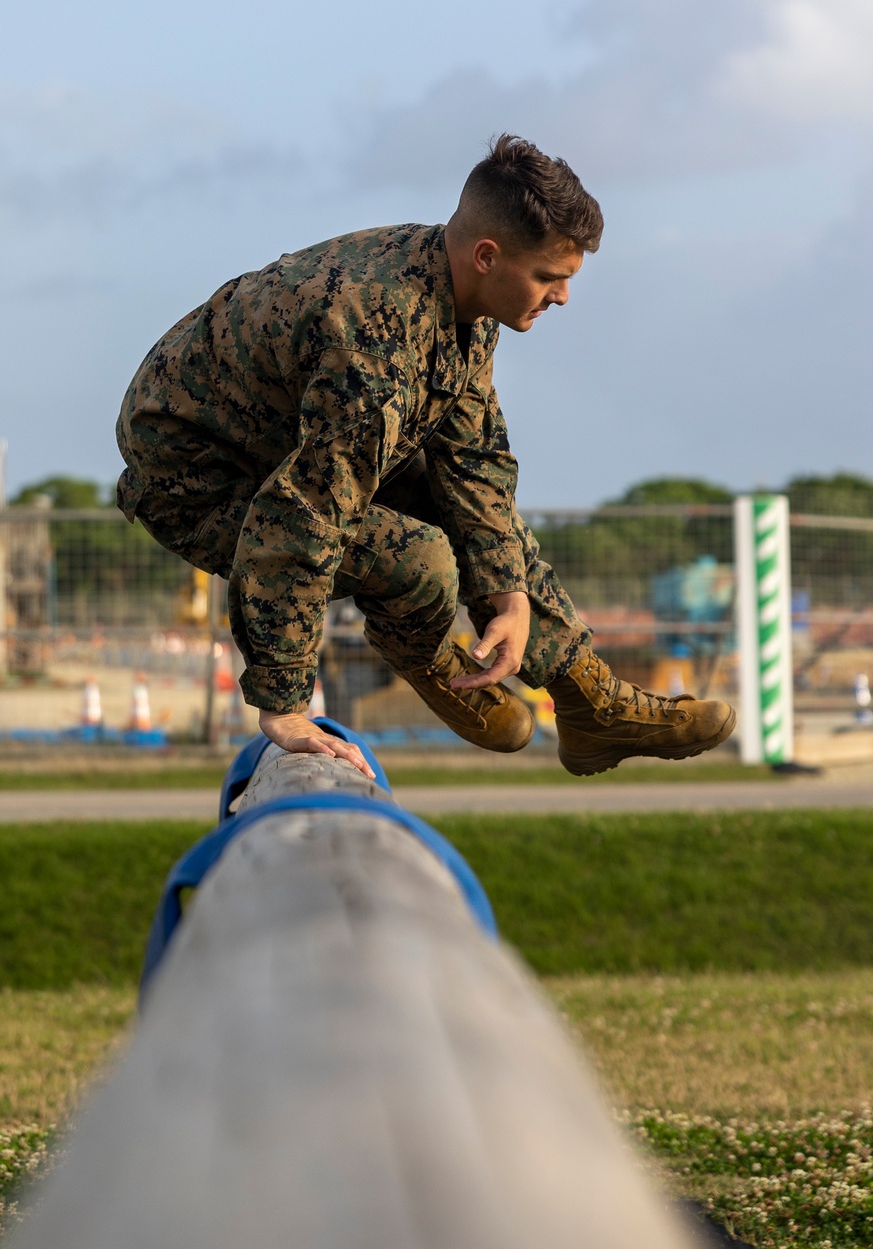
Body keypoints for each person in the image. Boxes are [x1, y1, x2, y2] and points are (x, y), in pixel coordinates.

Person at [116, 133, 735, 782]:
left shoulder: (468, 304)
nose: (562, 297)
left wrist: (510, 593)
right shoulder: (377, 335)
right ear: (488, 256)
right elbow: (302, 515)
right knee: (421, 559)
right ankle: (435, 661)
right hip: (192, 476)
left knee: (478, 522)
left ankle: (589, 706)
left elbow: (473, 462)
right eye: (550, 277)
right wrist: (285, 704)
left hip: (276, 444)